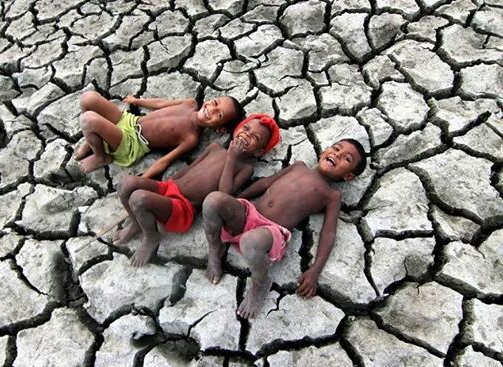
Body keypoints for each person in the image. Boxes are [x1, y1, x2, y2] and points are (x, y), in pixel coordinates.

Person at [202, 139, 367, 319]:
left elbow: (328, 232)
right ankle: (215, 248)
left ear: (349, 176)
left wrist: (315, 270)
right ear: (324, 151)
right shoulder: (298, 166)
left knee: (250, 241)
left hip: (271, 231)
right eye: (336, 148)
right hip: (249, 214)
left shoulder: (332, 195)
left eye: (346, 158)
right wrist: (237, 201)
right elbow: (266, 183)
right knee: (213, 200)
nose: (337, 154)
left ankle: (260, 283)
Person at [114, 114, 281, 266]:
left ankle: (151, 236)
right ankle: (136, 222)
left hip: (182, 206)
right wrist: (165, 187)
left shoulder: (245, 167)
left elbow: (224, 194)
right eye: (246, 128)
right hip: (169, 188)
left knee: (139, 199)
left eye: (255, 138)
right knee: (126, 183)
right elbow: (190, 168)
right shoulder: (215, 147)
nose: (246, 135)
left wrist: (232, 158)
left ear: (259, 152)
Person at [74, 91, 244, 177]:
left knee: (89, 120)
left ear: (220, 128)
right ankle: (94, 138)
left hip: (130, 143)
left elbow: (165, 161)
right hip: (131, 121)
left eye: (219, 115)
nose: (211, 110)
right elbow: (161, 104)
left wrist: (145, 178)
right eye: (215, 102)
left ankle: (101, 155)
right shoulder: (190, 103)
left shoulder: (191, 137)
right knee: (88, 99)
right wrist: (137, 101)